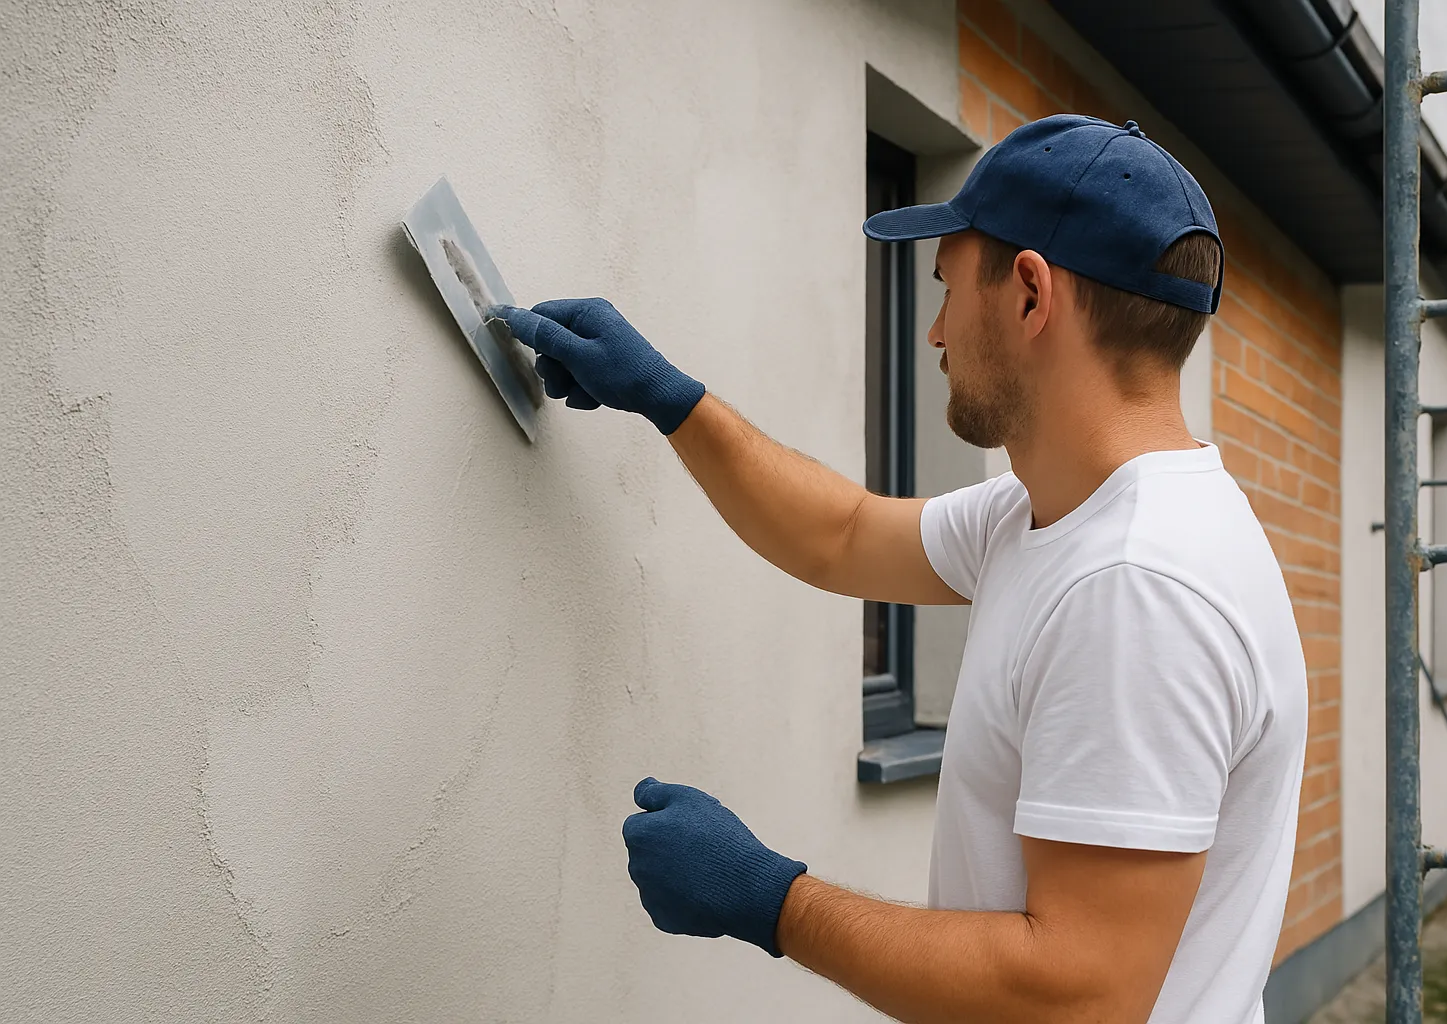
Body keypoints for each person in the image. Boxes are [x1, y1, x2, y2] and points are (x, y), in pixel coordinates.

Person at [494, 113, 1307, 1024]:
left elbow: (1077, 994)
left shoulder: (1136, 588)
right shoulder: (1049, 513)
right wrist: (667, 399)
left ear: (1032, 295)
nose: (933, 333)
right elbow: (841, 534)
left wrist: (769, 899)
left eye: (947, 289)